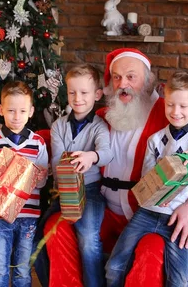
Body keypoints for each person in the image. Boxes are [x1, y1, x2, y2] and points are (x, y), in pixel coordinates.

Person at [38, 48, 188, 287]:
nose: (123, 84)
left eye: (132, 76)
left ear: (148, 80)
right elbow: (65, 137)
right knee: (55, 229)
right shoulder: (101, 116)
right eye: (117, 77)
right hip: (101, 207)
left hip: (147, 212)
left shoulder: (171, 113)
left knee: (151, 252)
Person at [105, 71, 188, 286]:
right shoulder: (156, 140)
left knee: (179, 278)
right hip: (147, 212)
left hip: (176, 218)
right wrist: (160, 186)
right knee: (114, 266)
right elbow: (148, 177)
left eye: (183, 106)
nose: (176, 112)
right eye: (171, 105)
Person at [0, 81, 48, 287]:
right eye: (11, 110)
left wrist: (31, 175)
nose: (17, 116)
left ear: (31, 111)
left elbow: (42, 182)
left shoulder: (37, 144)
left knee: (23, 272)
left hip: (28, 217)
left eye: (23, 110)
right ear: (1, 110)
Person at [47, 64, 113, 287]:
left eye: (84, 93)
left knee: (88, 237)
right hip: (64, 191)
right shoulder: (58, 126)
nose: (78, 98)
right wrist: (64, 174)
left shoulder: (99, 127)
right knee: (38, 232)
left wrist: (91, 156)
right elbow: (57, 160)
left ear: (97, 95)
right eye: (72, 92)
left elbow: (107, 153)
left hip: (91, 190)